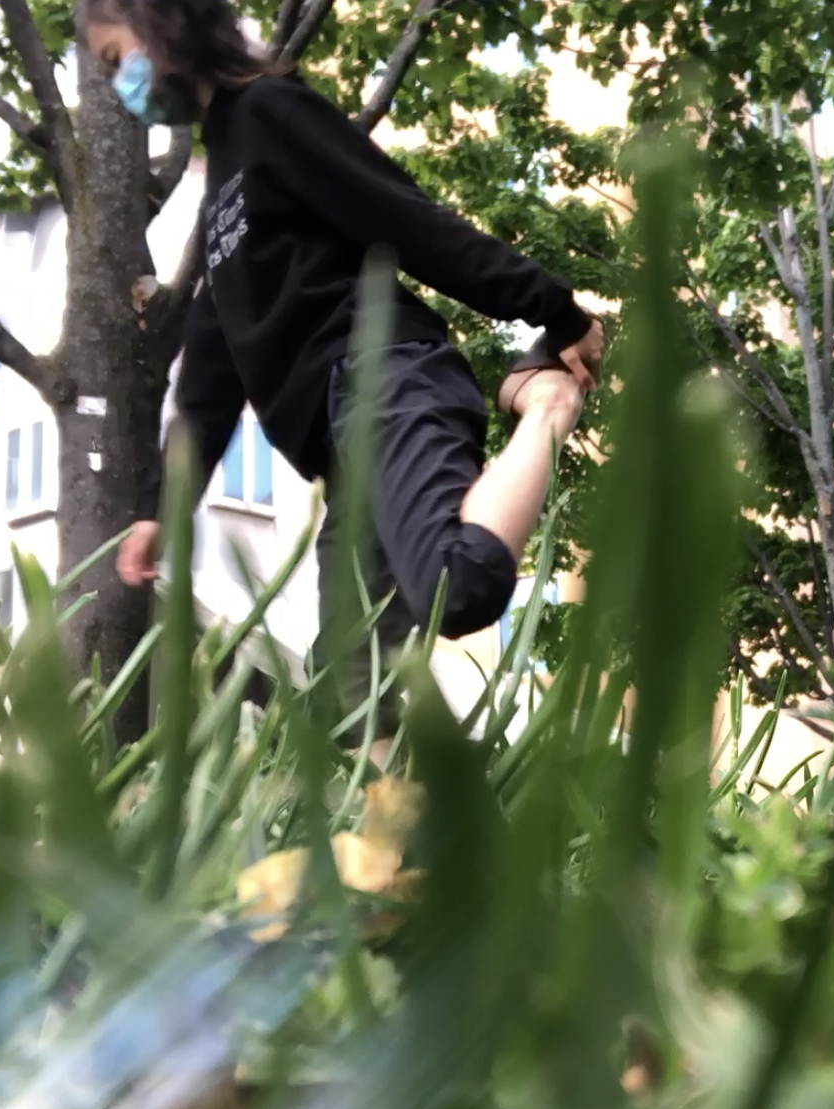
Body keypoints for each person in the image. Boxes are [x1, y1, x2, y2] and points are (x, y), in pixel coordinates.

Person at [93, 0, 602, 759]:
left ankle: (548, 405)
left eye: (115, 60)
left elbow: (405, 220)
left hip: (385, 375)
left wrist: (553, 310)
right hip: (342, 447)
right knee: (347, 692)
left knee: (455, 588)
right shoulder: (225, 173)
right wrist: (159, 508)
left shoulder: (271, 112)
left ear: (164, 23)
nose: (118, 85)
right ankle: (401, 866)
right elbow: (210, 367)